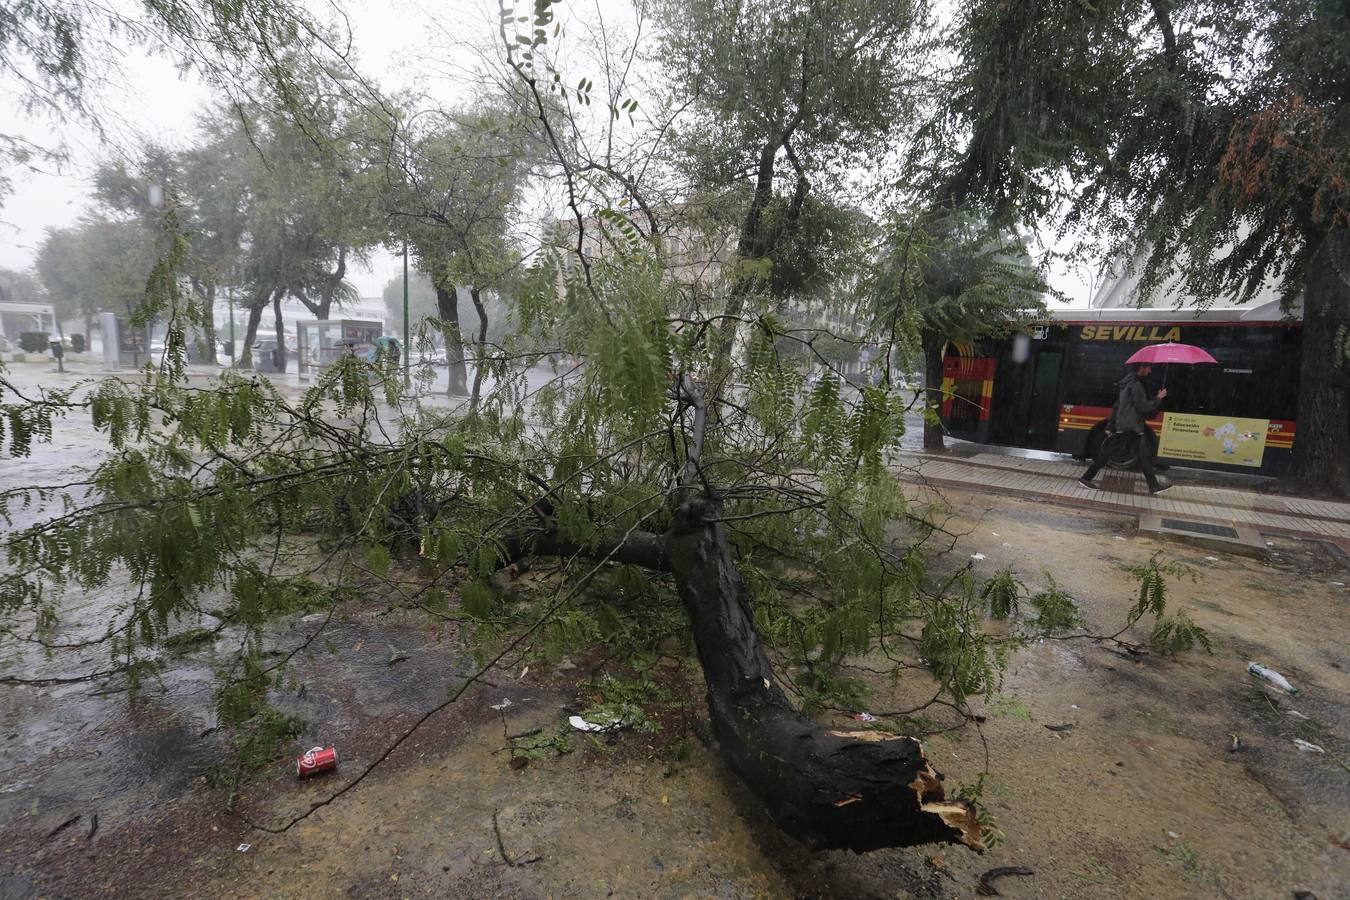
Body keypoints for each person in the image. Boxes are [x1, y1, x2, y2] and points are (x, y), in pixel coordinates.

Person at [1079, 363, 1171, 494]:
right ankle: (1086, 478)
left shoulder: (1127, 382)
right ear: (1141, 368)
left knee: (1142, 455)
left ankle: (1154, 486)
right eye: (1148, 367)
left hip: (1128, 424)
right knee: (1110, 452)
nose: (1150, 371)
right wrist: (1158, 398)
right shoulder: (1136, 385)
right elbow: (1143, 407)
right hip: (1131, 426)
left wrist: (1112, 424)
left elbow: (1118, 406)